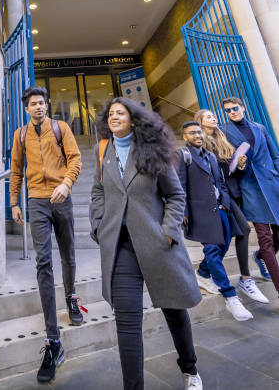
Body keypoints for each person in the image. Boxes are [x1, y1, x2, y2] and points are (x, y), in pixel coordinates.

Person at [90, 97, 203, 390]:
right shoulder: (103, 149)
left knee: (174, 310)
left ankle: (189, 369)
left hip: (156, 243)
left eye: (120, 112)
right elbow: (98, 191)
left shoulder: (151, 150)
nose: (114, 116)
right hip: (120, 246)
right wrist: (98, 224)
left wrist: (168, 231)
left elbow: (176, 196)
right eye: (110, 113)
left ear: (134, 119)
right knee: (126, 323)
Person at [10, 86, 82, 383]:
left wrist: (66, 183)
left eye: (42, 103)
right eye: (33, 104)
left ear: (46, 105)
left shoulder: (60, 127)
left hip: (61, 198)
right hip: (37, 202)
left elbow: (76, 159)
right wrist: (15, 201)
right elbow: (16, 169)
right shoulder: (20, 134)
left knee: (68, 254)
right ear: (26, 108)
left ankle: (71, 297)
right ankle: (53, 339)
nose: (38, 107)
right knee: (43, 262)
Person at [179, 122, 253, 321]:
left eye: (199, 132)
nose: (197, 135)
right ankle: (230, 296)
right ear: (185, 137)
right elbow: (180, 186)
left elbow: (220, 182)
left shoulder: (211, 156)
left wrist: (225, 204)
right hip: (199, 210)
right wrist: (185, 211)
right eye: (192, 133)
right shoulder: (183, 156)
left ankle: (203, 272)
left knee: (222, 245)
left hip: (220, 208)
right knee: (212, 249)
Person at [194, 109, 268, 304]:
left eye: (213, 115)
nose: (213, 118)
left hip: (233, 192)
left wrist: (239, 163)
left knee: (229, 237)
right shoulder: (200, 143)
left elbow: (229, 169)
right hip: (218, 196)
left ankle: (204, 272)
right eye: (208, 116)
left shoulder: (222, 138)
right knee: (239, 231)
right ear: (200, 122)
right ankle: (244, 278)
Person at [220, 96, 279, 297]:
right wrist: (239, 165)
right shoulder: (224, 132)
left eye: (234, 108)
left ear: (242, 107)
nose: (232, 112)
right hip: (250, 188)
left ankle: (260, 256)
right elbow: (226, 164)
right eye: (227, 110)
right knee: (265, 238)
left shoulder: (260, 128)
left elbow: (275, 155)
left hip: (272, 186)